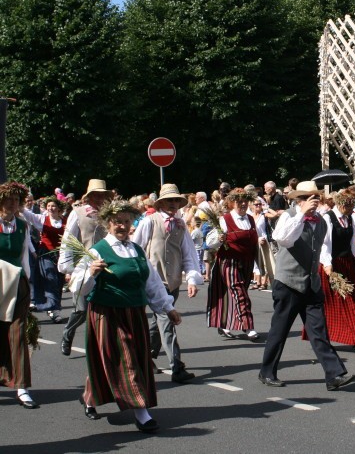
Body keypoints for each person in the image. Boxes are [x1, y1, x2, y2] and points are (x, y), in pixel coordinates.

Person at [70, 200, 181, 433]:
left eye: (126, 222)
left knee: (129, 360)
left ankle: (90, 397)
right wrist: (91, 273)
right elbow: (77, 287)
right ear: (108, 224)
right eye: (117, 222)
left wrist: (167, 308)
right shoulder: (97, 250)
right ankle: (142, 413)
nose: (122, 226)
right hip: (107, 314)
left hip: (135, 314)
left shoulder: (137, 250)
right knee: (125, 360)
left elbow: (151, 283)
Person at [259, 181, 355, 391]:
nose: (312, 201)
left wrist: (327, 267)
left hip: (311, 284)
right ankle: (267, 371)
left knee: (319, 330)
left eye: (314, 197)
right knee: (280, 330)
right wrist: (301, 214)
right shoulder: (288, 216)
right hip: (288, 282)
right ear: (298, 200)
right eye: (307, 198)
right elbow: (282, 238)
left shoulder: (321, 221)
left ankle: (334, 375)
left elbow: (322, 248)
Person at [132, 184, 202, 383]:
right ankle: (177, 367)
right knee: (167, 321)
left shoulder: (180, 225)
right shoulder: (149, 222)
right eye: (169, 201)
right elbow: (135, 249)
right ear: (161, 203)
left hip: (172, 282)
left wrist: (191, 279)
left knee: (156, 323)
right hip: (153, 282)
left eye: (175, 201)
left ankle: (146, 358)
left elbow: (188, 254)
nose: (173, 204)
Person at [58, 179, 112, 356]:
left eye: (102, 195)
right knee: (81, 309)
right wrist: (68, 268)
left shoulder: (110, 215)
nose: (99, 199)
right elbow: (68, 240)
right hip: (83, 268)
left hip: (105, 268)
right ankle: (68, 333)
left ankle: (99, 347)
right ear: (88, 197)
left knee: (101, 310)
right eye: (95, 195)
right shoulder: (78, 213)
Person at [0, 182, 38, 409]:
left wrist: (28, 284)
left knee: (18, 333)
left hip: (17, 283)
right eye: (8, 200)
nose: (12, 204)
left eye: (16, 200)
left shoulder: (23, 226)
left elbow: (24, 257)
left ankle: (21, 386)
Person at [205, 188, 260, 341]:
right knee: (239, 293)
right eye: (239, 201)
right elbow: (210, 243)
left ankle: (224, 323)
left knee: (237, 293)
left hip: (247, 262)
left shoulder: (250, 219)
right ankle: (248, 326)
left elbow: (254, 242)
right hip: (229, 262)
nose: (243, 204)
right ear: (231, 203)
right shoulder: (225, 219)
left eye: (245, 201)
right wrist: (220, 238)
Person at [318, 191, 355, 348]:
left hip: (348, 263)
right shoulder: (328, 218)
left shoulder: (351, 218)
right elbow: (324, 244)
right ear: (340, 204)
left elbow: (352, 242)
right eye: (349, 205)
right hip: (332, 264)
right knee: (332, 304)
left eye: (352, 205)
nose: (351, 208)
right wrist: (327, 264)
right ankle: (324, 337)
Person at [23, 196, 67, 323]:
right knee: (51, 278)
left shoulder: (66, 221)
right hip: (46, 254)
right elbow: (26, 214)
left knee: (59, 281)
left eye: (53, 206)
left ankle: (54, 307)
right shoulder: (42, 218)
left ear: (59, 208)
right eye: (48, 206)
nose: (50, 208)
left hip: (61, 255)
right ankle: (54, 309)